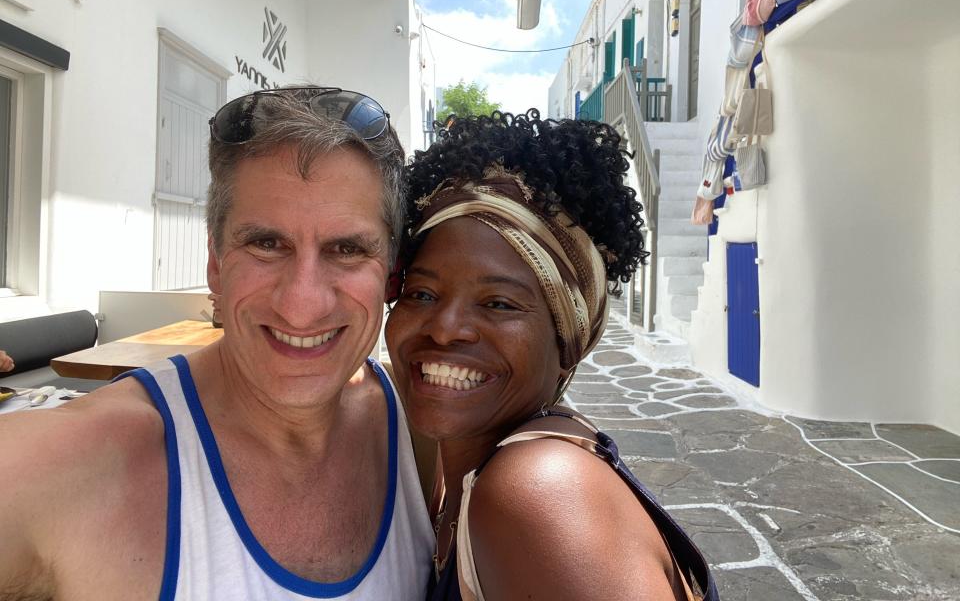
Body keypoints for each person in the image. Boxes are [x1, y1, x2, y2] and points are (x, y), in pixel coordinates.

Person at [0, 87, 434, 599]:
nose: (302, 303)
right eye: (266, 244)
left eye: (347, 249)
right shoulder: (70, 467)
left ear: (390, 274)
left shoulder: (423, 432)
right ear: (215, 264)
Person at [385, 111, 719, 601]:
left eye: (498, 303)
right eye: (421, 294)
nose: (444, 328)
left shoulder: (538, 492)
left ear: (567, 341)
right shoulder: (458, 465)